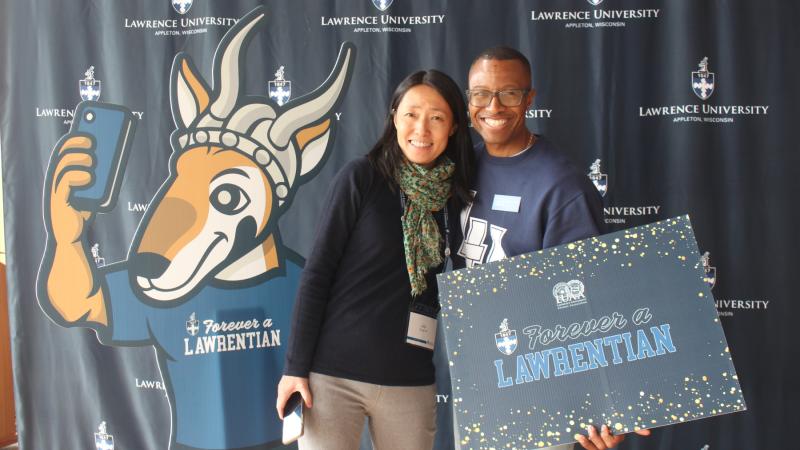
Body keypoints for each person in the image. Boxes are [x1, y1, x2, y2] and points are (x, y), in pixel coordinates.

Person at [460, 46, 651, 450]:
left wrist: (608, 402)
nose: (493, 106)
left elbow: (587, 300)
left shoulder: (562, 185)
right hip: (481, 374)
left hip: (545, 386)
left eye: (509, 93)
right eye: (480, 93)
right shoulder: (461, 167)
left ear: (529, 99)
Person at [276, 69, 475, 450]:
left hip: (410, 378)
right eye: (412, 114)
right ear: (395, 117)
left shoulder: (456, 196)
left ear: (452, 127)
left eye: (437, 117)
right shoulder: (362, 178)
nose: (422, 128)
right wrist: (295, 369)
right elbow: (317, 275)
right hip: (332, 379)